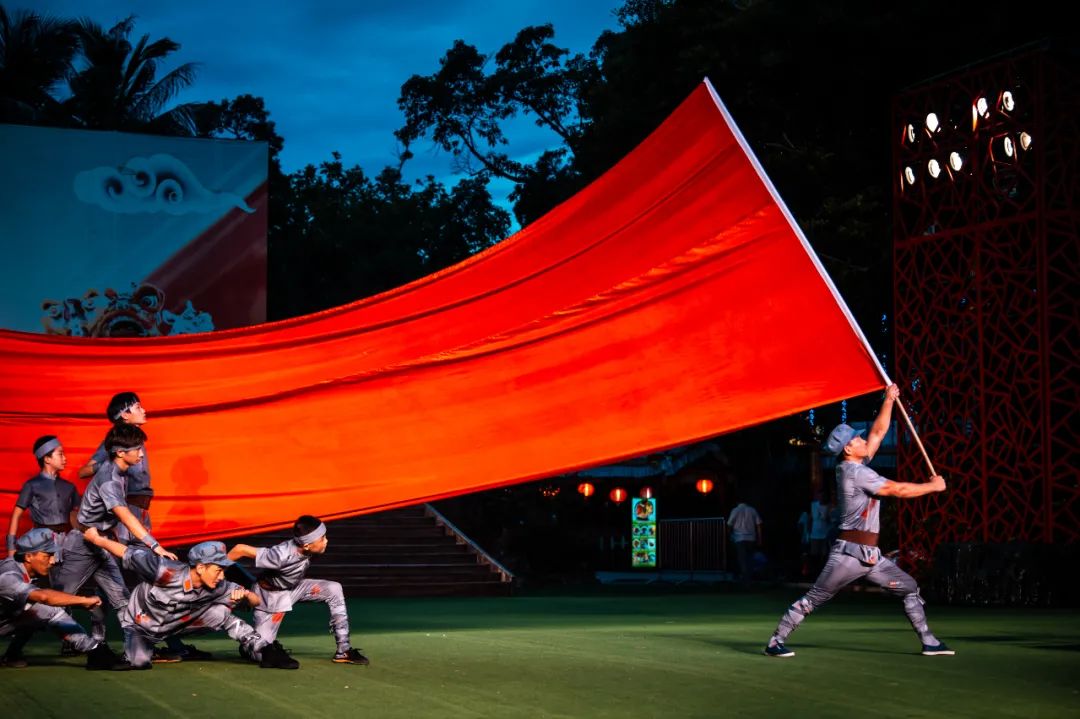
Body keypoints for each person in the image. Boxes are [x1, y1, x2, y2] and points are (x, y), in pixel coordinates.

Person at [764, 384, 954, 658]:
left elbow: (878, 433)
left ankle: (929, 642)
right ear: (848, 448)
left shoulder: (856, 465)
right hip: (848, 555)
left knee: (910, 588)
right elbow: (896, 490)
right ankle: (774, 643)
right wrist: (932, 487)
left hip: (870, 557)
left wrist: (888, 400)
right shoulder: (854, 472)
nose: (864, 440)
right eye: (858, 439)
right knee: (816, 597)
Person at [78, 392, 210, 662]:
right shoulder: (120, 440)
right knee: (146, 573)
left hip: (139, 511)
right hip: (127, 512)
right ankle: (161, 642)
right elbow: (84, 471)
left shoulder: (134, 441)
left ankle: (152, 640)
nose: (144, 409)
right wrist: (111, 460)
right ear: (124, 415)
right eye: (138, 407)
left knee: (132, 576)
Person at [81, 528, 299, 670]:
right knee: (138, 662)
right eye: (218, 570)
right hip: (143, 625)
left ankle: (263, 650)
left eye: (224, 570)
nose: (222, 575)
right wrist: (97, 538)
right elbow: (126, 552)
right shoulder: (165, 571)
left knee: (222, 613)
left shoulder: (218, 584)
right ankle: (119, 653)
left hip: (179, 624)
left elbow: (256, 602)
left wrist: (247, 595)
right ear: (201, 567)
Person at [49, 422, 175, 649]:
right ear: (120, 452)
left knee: (122, 600)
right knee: (56, 601)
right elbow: (125, 515)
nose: (141, 454)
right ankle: (17, 648)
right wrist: (155, 546)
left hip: (100, 543)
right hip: (82, 544)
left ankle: (133, 650)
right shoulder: (109, 480)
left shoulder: (118, 471)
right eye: (137, 449)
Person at [227, 515, 370, 665]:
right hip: (270, 597)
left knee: (333, 589)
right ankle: (248, 648)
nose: (326, 541)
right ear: (307, 545)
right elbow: (240, 549)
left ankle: (344, 650)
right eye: (322, 539)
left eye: (325, 536)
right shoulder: (280, 556)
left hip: (294, 588)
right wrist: (216, 569)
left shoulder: (309, 547)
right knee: (263, 652)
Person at [0, 528, 129, 670]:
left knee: (36, 610)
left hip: (7, 619)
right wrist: (83, 600)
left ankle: (12, 655)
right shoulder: (8, 576)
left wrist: (80, 603)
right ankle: (95, 652)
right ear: (29, 556)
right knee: (45, 608)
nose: (53, 560)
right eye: (47, 556)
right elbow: (44, 596)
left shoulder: (22, 568)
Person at [7, 436, 80, 558]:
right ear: (47, 459)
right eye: (60, 454)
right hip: (40, 543)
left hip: (65, 542)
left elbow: (75, 515)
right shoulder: (32, 485)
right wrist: (11, 547)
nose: (65, 458)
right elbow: (16, 515)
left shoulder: (69, 487)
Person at [726, 500, 762, 586]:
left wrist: (730, 536)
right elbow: (759, 524)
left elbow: (729, 524)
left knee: (742, 559)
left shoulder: (735, 510)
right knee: (750, 559)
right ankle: (748, 579)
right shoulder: (752, 510)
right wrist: (760, 539)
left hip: (739, 538)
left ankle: (745, 580)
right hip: (751, 538)